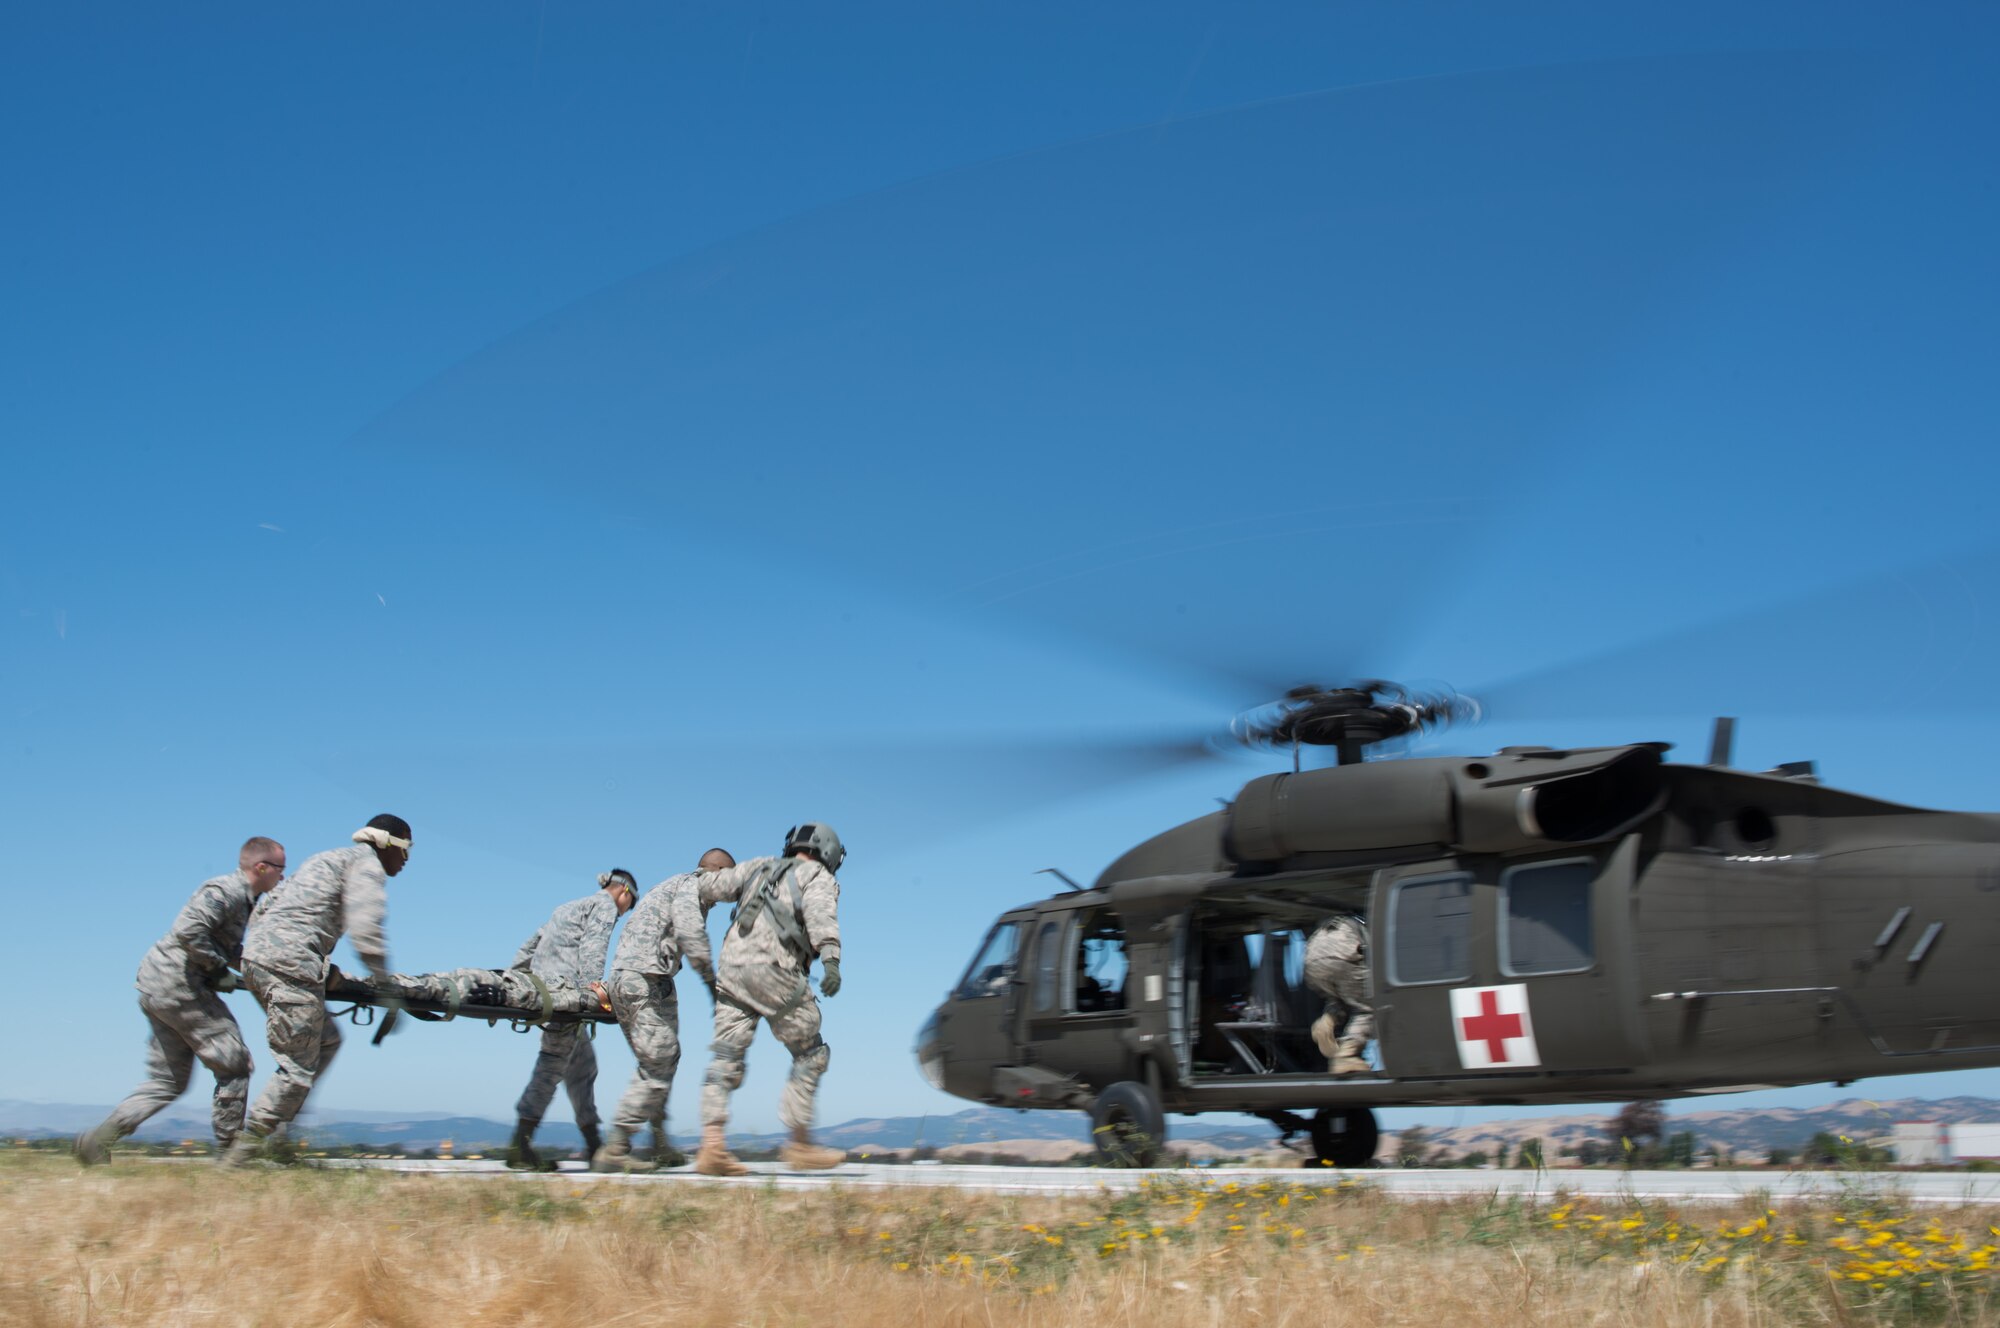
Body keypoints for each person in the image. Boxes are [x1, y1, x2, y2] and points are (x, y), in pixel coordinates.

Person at [74, 838, 288, 1164]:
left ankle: (97, 1141)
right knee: (234, 1065)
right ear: (261, 867)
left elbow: (228, 949)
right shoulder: (224, 891)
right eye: (280, 869)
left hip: (158, 987)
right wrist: (216, 969)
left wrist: (261, 970)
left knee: (168, 1081)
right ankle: (233, 1155)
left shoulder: (245, 900)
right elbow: (188, 931)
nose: (283, 877)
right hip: (180, 988)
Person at [223, 814, 410, 1165]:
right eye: (406, 849)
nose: (405, 861)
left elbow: (268, 907)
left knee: (326, 1040)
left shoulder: (326, 858)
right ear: (388, 843)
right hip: (292, 965)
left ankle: (280, 1140)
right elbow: (367, 933)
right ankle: (244, 1155)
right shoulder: (367, 866)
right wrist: (386, 987)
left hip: (260, 959)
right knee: (296, 1068)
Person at [679, 823, 845, 1176]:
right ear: (828, 851)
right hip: (775, 970)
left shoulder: (758, 865)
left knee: (725, 1055)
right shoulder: (817, 875)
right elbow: (820, 916)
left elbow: (712, 884)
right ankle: (799, 1143)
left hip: (732, 971)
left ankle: (711, 1147)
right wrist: (831, 961)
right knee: (811, 1053)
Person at [591, 848, 736, 1174]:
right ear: (717, 873)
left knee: (664, 1058)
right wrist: (713, 985)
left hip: (648, 981)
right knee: (659, 1061)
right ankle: (616, 1147)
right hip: (640, 980)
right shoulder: (691, 887)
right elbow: (691, 935)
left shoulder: (685, 889)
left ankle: (657, 1141)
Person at [505, 869, 636, 1171]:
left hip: (545, 996)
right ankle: (519, 1146)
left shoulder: (564, 908)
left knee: (582, 1068)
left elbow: (529, 947)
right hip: (565, 999)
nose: (624, 913)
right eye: (629, 906)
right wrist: (593, 990)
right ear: (625, 893)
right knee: (551, 1065)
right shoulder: (604, 906)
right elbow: (595, 944)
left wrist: (516, 983)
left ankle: (594, 1147)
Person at [1304, 912, 1373, 1076]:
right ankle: (1346, 1055)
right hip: (1342, 955)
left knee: (1340, 997)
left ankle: (1327, 1021)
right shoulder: (1373, 923)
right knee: (1370, 1007)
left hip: (1312, 961)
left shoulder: (1346, 919)